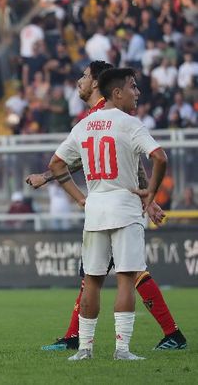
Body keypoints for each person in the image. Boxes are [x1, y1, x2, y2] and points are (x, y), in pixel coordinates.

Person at [27, 61, 187, 352]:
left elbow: (120, 159)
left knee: (111, 275)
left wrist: (51, 178)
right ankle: (86, 338)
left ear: (99, 82)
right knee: (115, 274)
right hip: (119, 205)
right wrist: (147, 197)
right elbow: (119, 158)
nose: (80, 80)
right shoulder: (101, 116)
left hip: (107, 206)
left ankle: (88, 340)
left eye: (85, 76)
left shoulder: (103, 114)